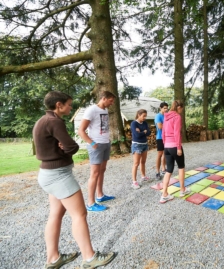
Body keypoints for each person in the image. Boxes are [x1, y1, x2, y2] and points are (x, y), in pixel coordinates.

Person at [33, 91, 116, 269]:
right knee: (80, 214)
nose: (71, 107)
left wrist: (62, 147)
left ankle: (53, 259)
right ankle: (89, 257)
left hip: (46, 174)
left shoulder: (42, 120)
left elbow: (48, 148)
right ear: (58, 105)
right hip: (59, 175)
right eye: (69, 104)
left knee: (56, 214)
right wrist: (67, 148)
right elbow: (72, 146)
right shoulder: (55, 122)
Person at [78, 91, 116, 212]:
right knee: (94, 174)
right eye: (110, 101)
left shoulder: (104, 110)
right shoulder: (91, 110)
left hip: (105, 143)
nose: (112, 103)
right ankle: (90, 203)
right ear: (104, 98)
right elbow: (81, 130)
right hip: (96, 145)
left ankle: (100, 196)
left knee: (102, 170)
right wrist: (92, 143)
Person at [160, 100, 191, 203]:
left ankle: (164, 194)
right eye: (182, 108)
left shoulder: (166, 116)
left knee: (169, 170)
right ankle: (182, 190)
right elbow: (176, 132)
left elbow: (163, 132)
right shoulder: (177, 117)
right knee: (181, 167)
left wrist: (165, 145)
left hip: (167, 147)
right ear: (179, 107)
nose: (182, 110)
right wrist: (178, 147)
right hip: (174, 145)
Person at [130, 109, 151, 189]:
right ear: (139, 115)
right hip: (136, 145)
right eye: (143, 116)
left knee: (143, 162)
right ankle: (134, 182)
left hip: (144, 144)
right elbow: (137, 135)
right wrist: (144, 132)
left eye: (145, 116)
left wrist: (142, 132)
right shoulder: (134, 123)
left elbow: (149, 133)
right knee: (136, 163)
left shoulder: (145, 123)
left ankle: (143, 176)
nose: (145, 118)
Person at [155, 102, 168, 180]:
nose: (166, 110)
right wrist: (168, 127)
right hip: (160, 137)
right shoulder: (158, 116)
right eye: (164, 108)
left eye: (167, 108)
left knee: (165, 153)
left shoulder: (166, 115)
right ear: (161, 108)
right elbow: (160, 126)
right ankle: (157, 172)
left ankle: (163, 169)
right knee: (160, 154)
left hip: (167, 137)